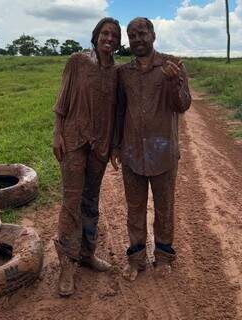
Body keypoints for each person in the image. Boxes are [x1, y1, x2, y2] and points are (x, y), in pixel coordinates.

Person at [111, 17, 191, 281]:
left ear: (153, 35)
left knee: (164, 207)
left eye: (142, 33)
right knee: (134, 208)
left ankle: (164, 258)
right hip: (132, 152)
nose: (137, 39)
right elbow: (120, 111)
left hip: (164, 152)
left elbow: (183, 106)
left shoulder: (173, 65)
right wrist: (115, 145)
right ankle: (136, 260)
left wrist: (176, 82)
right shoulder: (124, 73)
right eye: (132, 35)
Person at [53, 17, 121, 296]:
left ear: (118, 43)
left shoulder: (117, 73)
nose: (109, 39)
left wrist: (115, 146)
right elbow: (62, 101)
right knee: (71, 201)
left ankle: (87, 254)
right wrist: (57, 133)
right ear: (95, 36)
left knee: (91, 199)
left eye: (114, 36)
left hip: (100, 145)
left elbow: (117, 113)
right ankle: (66, 265)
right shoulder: (77, 61)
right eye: (105, 33)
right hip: (73, 139)